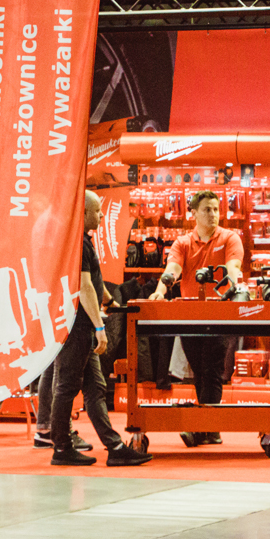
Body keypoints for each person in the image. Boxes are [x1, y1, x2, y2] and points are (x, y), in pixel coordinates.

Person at [49, 192, 153, 467]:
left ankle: (114, 446)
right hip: (77, 326)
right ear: (83, 213)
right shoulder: (77, 244)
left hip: (81, 325)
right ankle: (61, 448)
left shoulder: (84, 241)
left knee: (95, 387)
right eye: (97, 211)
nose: (102, 215)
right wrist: (99, 326)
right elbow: (83, 287)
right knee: (67, 386)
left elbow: (94, 281)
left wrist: (111, 302)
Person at [150, 189, 244, 446]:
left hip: (220, 314)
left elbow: (234, 267)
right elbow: (173, 269)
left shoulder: (230, 238)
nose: (213, 214)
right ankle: (211, 430)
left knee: (212, 369)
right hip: (189, 316)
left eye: (216, 209)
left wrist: (233, 283)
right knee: (200, 372)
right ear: (193, 213)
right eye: (207, 210)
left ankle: (201, 428)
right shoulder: (182, 243)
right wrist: (160, 291)